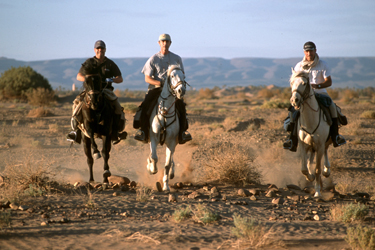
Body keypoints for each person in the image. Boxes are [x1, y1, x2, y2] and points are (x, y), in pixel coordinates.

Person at [283, 41, 346, 151]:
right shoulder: (299, 66)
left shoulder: (322, 64)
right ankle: (292, 140)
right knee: (293, 111)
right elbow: (295, 81)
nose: (309, 53)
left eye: (311, 50)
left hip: (321, 93)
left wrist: (317, 85)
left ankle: (336, 136)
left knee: (332, 107)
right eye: (307, 51)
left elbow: (329, 82)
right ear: (304, 52)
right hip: (304, 96)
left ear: (315, 51)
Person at [134, 34, 192, 144]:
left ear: (170, 43)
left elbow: (182, 74)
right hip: (156, 89)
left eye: (167, 41)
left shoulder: (177, 59)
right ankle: (142, 131)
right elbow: (147, 78)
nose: (165, 43)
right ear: (159, 43)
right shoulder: (153, 59)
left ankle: (183, 133)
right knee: (145, 105)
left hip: (172, 90)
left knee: (181, 107)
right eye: (163, 41)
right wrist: (160, 83)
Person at [66, 40, 127, 144]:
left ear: (105, 50)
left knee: (117, 107)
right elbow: (78, 76)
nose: (100, 50)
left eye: (102, 49)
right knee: (76, 105)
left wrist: (111, 80)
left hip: (106, 90)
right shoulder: (89, 62)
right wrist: (87, 78)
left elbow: (120, 78)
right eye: (98, 49)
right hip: (90, 91)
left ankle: (116, 132)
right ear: (95, 50)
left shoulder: (110, 64)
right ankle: (75, 132)